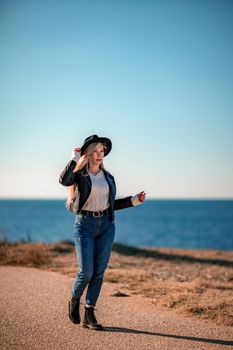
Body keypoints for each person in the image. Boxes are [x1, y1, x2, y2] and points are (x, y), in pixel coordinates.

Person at [59, 134, 146, 331]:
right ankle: (74, 299)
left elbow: (110, 205)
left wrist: (133, 200)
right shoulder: (80, 175)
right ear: (89, 153)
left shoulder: (109, 178)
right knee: (86, 272)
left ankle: (89, 313)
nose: (100, 154)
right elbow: (64, 180)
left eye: (102, 151)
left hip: (106, 225)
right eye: (96, 150)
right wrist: (74, 158)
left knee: (99, 272)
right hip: (85, 224)